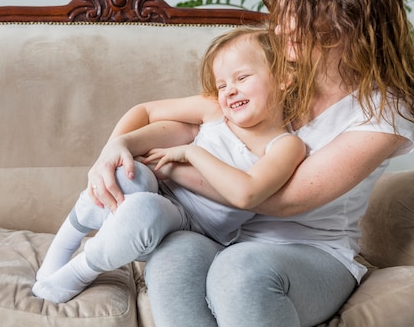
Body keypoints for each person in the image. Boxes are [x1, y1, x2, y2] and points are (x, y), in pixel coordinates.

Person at [86, 0, 414, 327]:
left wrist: (168, 165)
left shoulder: (385, 108)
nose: (278, 28)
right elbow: (177, 118)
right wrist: (114, 149)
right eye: (278, 13)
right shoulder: (277, 74)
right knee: (174, 254)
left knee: (240, 270)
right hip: (226, 235)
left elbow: (285, 200)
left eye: (292, 13)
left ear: (342, 15)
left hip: (311, 252)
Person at [32, 26, 306, 303]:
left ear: (284, 78)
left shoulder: (286, 146)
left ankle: (79, 271)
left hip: (197, 228)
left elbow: (246, 194)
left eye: (242, 77)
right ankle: (61, 248)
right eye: (222, 85)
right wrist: (114, 147)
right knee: (126, 173)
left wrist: (192, 153)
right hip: (161, 190)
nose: (229, 91)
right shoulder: (214, 110)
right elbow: (146, 111)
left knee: (142, 211)